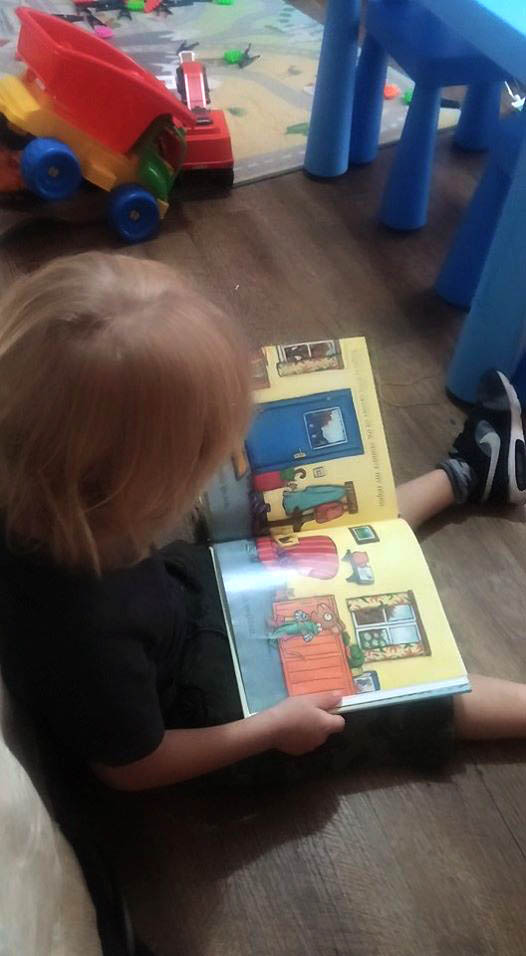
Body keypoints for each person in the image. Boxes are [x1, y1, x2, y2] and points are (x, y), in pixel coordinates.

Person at [0, 252, 525, 794]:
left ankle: (468, 474)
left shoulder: (48, 488)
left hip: (180, 597)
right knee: (411, 700)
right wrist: (272, 730)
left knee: (320, 526)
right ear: (134, 486)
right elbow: (131, 767)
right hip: (213, 706)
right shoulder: (84, 634)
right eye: (203, 456)